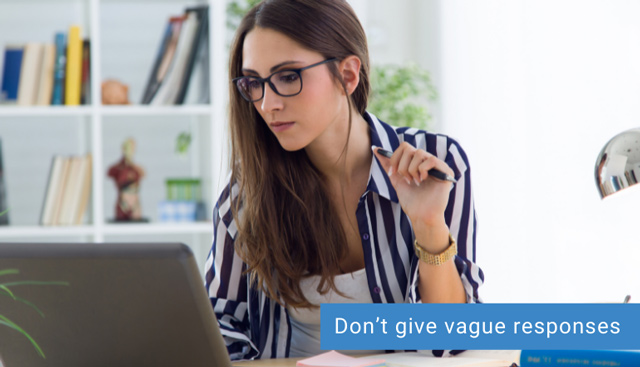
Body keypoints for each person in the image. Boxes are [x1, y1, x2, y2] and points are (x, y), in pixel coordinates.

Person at [204, 0, 484, 360]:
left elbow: (453, 339)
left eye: (288, 77)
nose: (266, 103)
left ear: (348, 75)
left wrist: (429, 225)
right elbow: (221, 322)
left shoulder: (437, 164)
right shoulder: (247, 191)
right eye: (253, 83)